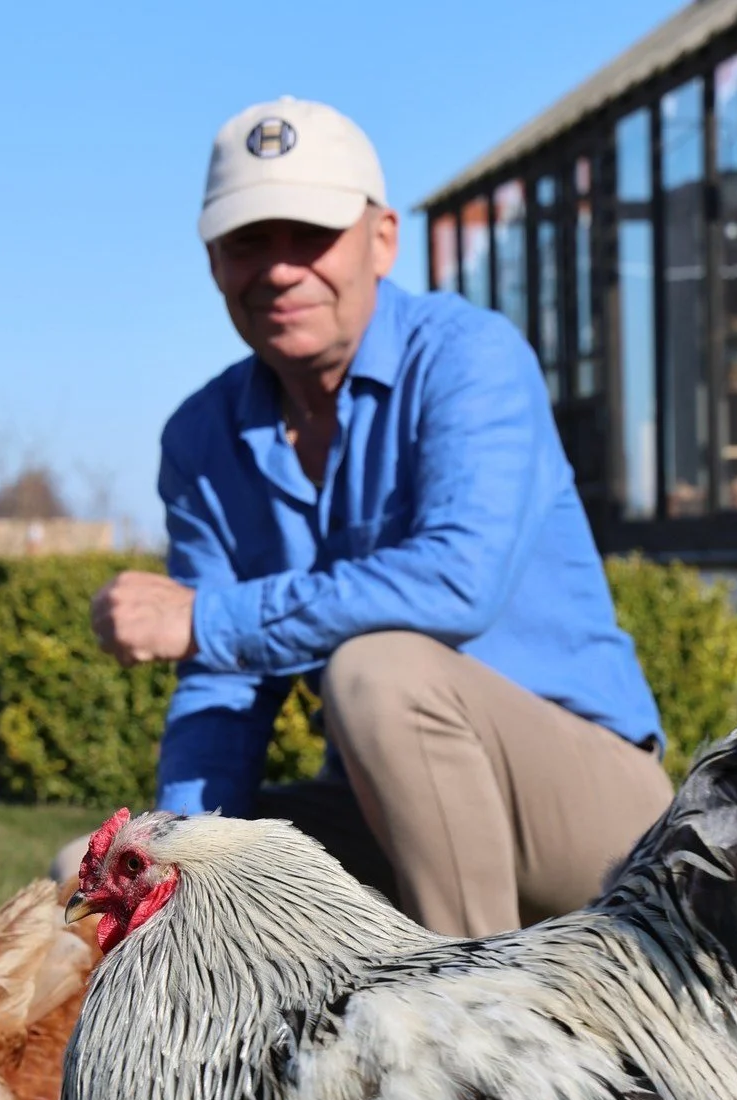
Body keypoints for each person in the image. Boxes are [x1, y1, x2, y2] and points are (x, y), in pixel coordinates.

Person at [85, 96, 672, 937]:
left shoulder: (469, 358)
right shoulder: (201, 436)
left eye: (311, 234)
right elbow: (220, 679)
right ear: (213, 259)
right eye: (250, 240)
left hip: (604, 827)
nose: (281, 268)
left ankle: (485, 1035)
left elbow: (454, 582)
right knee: (111, 865)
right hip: (399, 811)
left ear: (382, 239)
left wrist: (207, 617)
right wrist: (174, 860)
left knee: (376, 674)